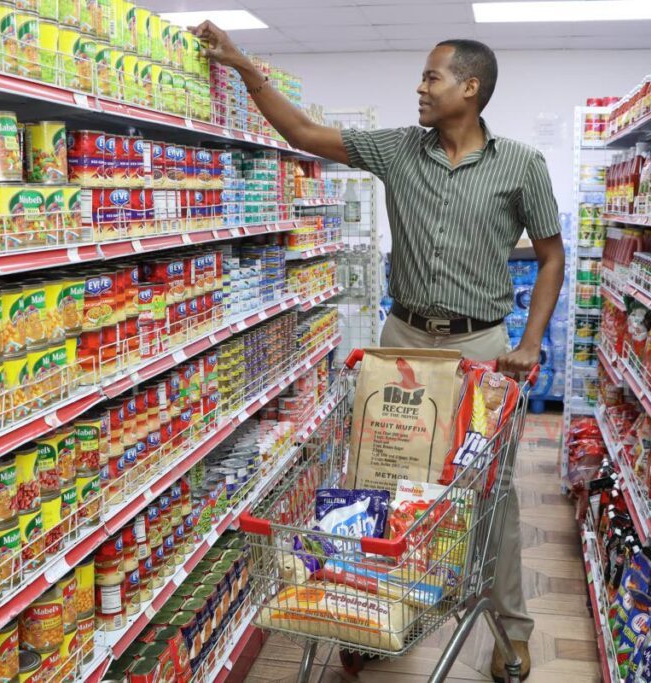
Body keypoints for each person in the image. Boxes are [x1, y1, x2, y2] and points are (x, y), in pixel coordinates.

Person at [193, 22, 565, 681]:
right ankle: (367, 613)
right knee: (380, 482)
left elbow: (551, 254)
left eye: (432, 77)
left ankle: (511, 631)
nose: (419, 88)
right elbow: (305, 134)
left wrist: (531, 341)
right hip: (403, 345)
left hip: (480, 346)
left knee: (488, 498)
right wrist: (249, 71)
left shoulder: (522, 166)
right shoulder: (399, 151)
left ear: (470, 89)